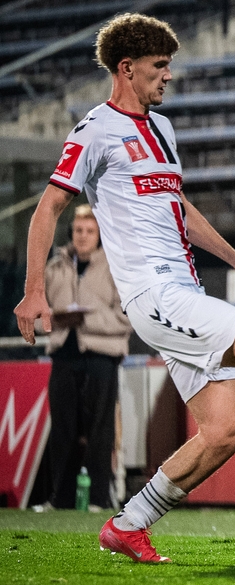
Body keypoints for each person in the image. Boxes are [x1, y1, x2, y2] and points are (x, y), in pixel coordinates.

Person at [14, 14, 235, 564]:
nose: (168, 76)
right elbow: (48, 206)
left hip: (183, 290)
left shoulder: (162, 129)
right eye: (159, 66)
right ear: (127, 69)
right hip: (154, 295)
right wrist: (34, 291)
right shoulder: (94, 129)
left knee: (221, 432)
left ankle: (129, 523)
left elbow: (179, 209)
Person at [38, 204, 131, 511]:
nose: (83, 236)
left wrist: (86, 320)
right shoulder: (54, 267)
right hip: (64, 356)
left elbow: (128, 319)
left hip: (102, 358)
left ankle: (98, 499)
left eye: (90, 231)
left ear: (100, 234)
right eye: (78, 230)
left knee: (100, 431)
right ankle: (59, 499)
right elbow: (38, 317)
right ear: (70, 232)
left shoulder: (117, 267)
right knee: (62, 429)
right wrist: (57, 319)